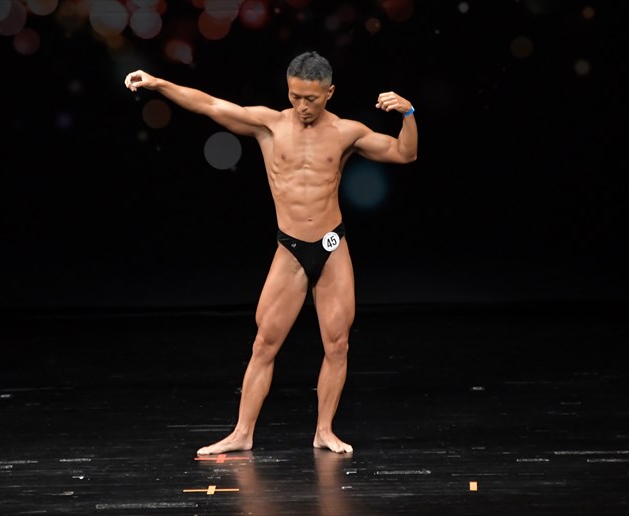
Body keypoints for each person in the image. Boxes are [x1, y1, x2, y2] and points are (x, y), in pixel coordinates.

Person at [124, 51, 418, 455]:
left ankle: (324, 431)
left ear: (329, 93)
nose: (302, 106)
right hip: (291, 248)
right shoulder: (269, 125)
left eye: (310, 98)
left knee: (337, 345)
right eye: (295, 96)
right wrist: (159, 84)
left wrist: (408, 113)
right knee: (264, 344)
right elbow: (209, 105)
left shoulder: (347, 132)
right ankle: (242, 433)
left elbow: (405, 153)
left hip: (331, 245)